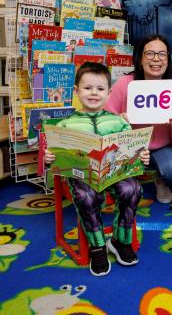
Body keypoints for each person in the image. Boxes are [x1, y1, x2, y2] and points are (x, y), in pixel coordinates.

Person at [44, 62, 150, 277]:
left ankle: (120, 241)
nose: (94, 93)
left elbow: (133, 148)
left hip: (114, 174)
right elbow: (56, 157)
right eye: (87, 88)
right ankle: (98, 246)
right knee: (85, 195)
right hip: (82, 178)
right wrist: (49, 158)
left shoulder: (118, 121)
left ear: (109, 93)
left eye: (100, 89)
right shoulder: (65, 124)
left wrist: (142, 154)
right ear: (76, 91)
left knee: (133, 189)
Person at [104, 34, 172, 204]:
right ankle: (129, 179)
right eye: (150, 54)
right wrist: (119, 120)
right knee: (118, 185)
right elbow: (106, 119)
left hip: (162, 147)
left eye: (162, 54)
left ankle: (161, 179)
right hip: (129, 146)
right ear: (140, 58)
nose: (156, 59)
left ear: (168, 59)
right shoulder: (125, 83)